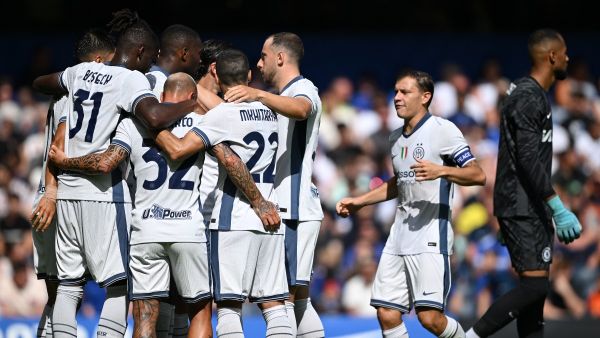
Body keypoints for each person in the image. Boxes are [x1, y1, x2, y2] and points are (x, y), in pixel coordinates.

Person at [32, 9, 201, 338]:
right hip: (104, 193)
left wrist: (64, 84)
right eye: (150, 56)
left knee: (68, 286)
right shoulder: (130, 79)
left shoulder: (81, 71)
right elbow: (153, 115)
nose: (151, 64)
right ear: (140, 51)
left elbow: (42, 82)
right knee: (120, 283)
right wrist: (187, 106)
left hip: (65, 191)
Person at [337, 70, 486, 338]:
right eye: (395, 92)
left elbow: (478, 174)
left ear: (425, 96)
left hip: (430, 235)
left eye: (405, 92)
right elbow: (399, 182)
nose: (397, 97)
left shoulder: (443, 130)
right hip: (399, 236)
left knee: (429, 319)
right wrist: (360, 202)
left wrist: (442, 171)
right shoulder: (394, 139)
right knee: (386, 313)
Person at [466, 29, 582, 338]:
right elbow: (528, 159)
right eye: (565, 51)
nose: (568, 58)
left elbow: (515, 153)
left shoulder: (525, 92)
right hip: (523, 204)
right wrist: (557, 206)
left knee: (535, 299)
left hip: (524, 204)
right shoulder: (529, 97)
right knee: (535, 286)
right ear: (552, 57)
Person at [224, 32, 325, 337]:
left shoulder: (303, 88)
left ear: (280, 58)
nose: (259, 63)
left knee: (282, 299)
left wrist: (259, 95)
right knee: (297, 299)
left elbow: (303, 108)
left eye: (264, 56)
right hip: (290, 208)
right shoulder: (281, 96)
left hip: (294, 209)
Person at [30, 27, 115, 338]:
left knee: (57, 298)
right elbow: (59, 142)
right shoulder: (76, 95)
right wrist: (52, 192)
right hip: (59, 196)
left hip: (47, 194)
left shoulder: (63, 89)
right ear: (95, 61)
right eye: (108, 62)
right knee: (69, 293)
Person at [146, 24, 202, 99]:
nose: (200, 60)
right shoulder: (160, 85)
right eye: (199, 53)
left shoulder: (151, 75)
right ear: (184, 53)